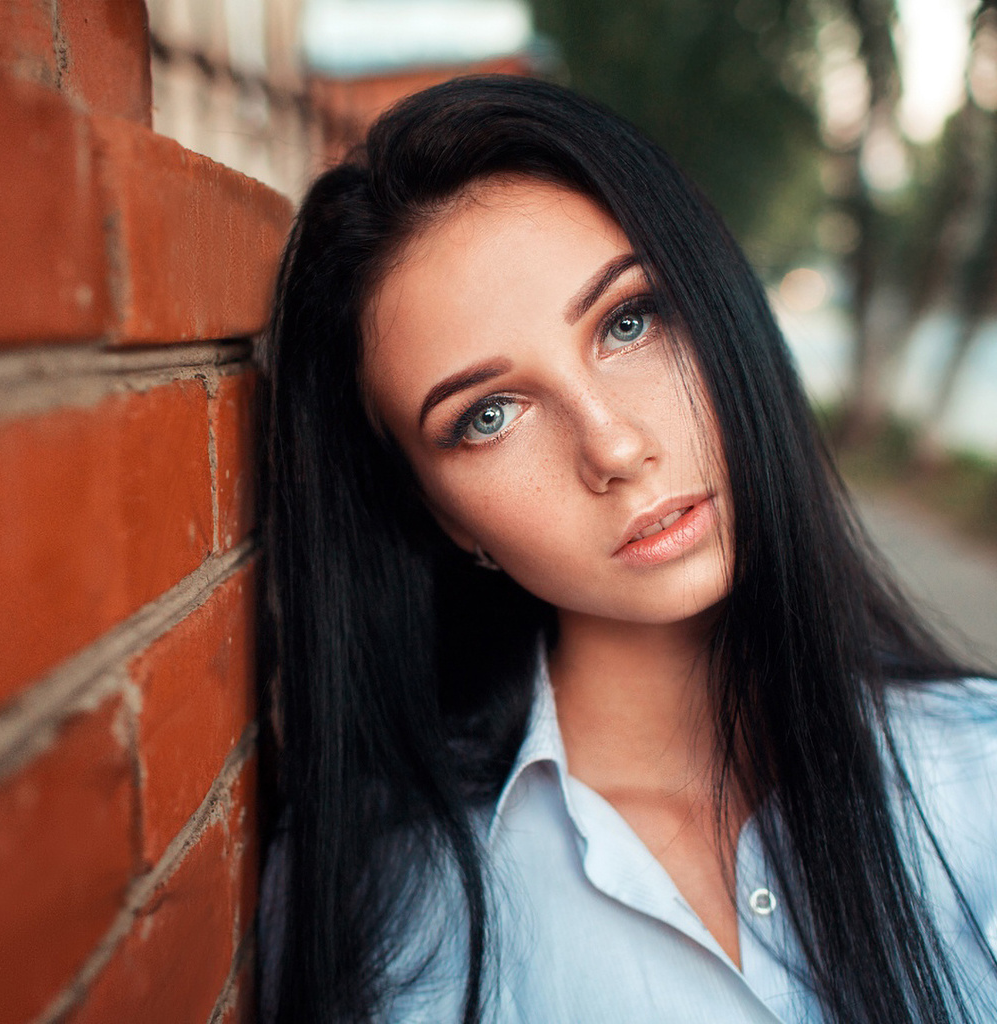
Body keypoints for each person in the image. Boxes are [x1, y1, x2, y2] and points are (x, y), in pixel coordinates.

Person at [255, 75, 997, 1023]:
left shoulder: (978, 776)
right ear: (442, 515)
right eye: (488, 415)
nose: (612, 446)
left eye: (630, 321)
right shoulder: (379, 903)